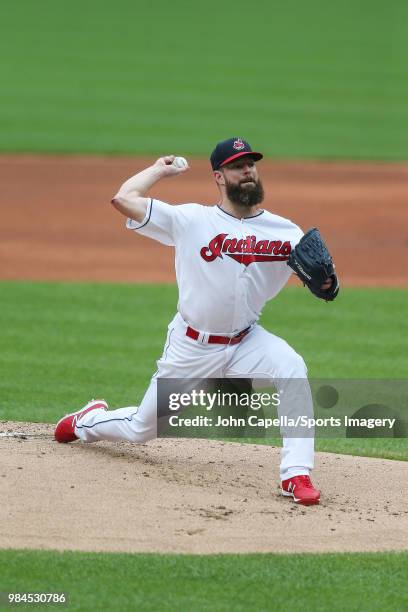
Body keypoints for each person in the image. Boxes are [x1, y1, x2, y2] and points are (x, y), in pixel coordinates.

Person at [55, 137, 334, 505]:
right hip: (191, 347)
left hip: (246, 343)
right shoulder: (190, 220)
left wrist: (329, 283)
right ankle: (87, 420)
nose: (247, 171)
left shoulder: (286, 232)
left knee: (291, 366)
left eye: (251, 164)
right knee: (142, 428)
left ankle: (296, 475)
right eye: (237, 166)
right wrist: (159, 169)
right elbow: (124, 199)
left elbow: (323, 282)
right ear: (219, 177)